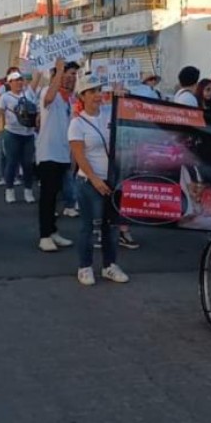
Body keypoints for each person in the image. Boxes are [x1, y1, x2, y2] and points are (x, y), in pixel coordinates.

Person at [68, 73, 130, 286]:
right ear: (82, 96)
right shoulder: (77, 124)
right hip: (89, 183)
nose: (97, 95)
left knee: (111, 226)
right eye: (92, 91)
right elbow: (79, 155)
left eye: (99, 90)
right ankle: (85, 267)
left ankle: (109, 265)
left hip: (112, 180)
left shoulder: (111, 113)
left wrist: (123, 94)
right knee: (88, 226)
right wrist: (94, 180)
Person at [36, 59, 77, 252]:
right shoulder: (47, 92)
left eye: (73, 75)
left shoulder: (71, 99)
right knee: (47, 196)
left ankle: (53, 231)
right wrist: (59, 71)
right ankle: (44, 235)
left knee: (56, 198)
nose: (70, 78)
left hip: (63, 154)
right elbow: (49, 97)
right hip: (48, 153)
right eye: (67, 74)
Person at [0, 71, 37, 204]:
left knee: (28, 164)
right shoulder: (5, 97)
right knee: (11, 163)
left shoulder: (28, 93)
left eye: (20, 80)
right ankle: (10, 190)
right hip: (12, 134)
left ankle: (28, 191)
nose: (19, 82)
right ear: (9, 83)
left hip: (28, 134)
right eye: (15, 80)